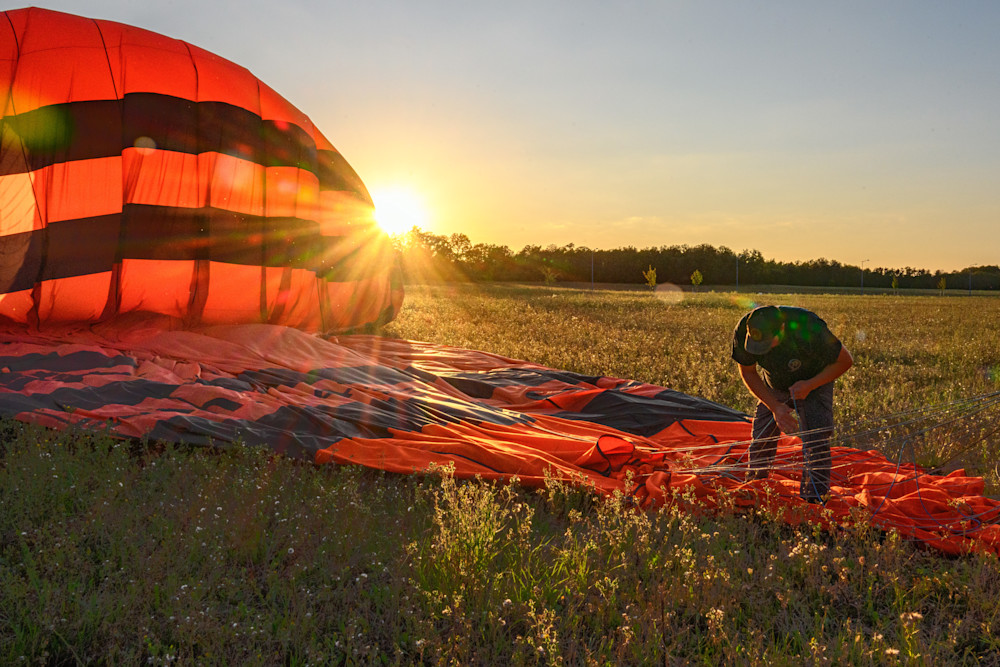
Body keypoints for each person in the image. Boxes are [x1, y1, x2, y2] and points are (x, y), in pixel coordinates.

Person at [731, 305, 853, 503]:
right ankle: (754, 491)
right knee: (762, 437)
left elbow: (845, 361)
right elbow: (748, 372)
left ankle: (813, 500)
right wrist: (774, 407)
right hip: (774, 383)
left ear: (782, 329)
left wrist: (809, 385)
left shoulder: (809, 327)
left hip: (815, 380)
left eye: (768, 343)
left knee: (816, 439)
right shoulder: (744, 328)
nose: (764, 350)